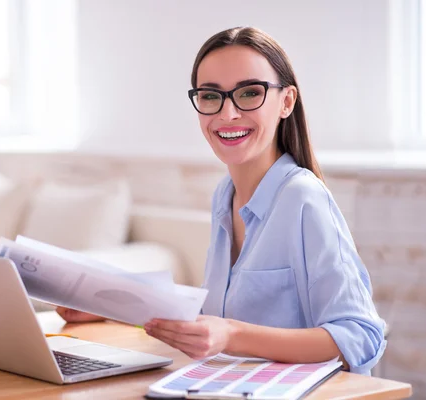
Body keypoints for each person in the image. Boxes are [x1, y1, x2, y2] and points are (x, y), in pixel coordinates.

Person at [56, 26, 386, 375]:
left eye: (248, 93)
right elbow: (217, 318)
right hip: (230, 385)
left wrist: (230, 335)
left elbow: (361, 336)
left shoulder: (303, 198)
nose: (227, 114)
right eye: (211, 96)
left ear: (286, 102)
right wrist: (111, 307)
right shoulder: (224, 195)